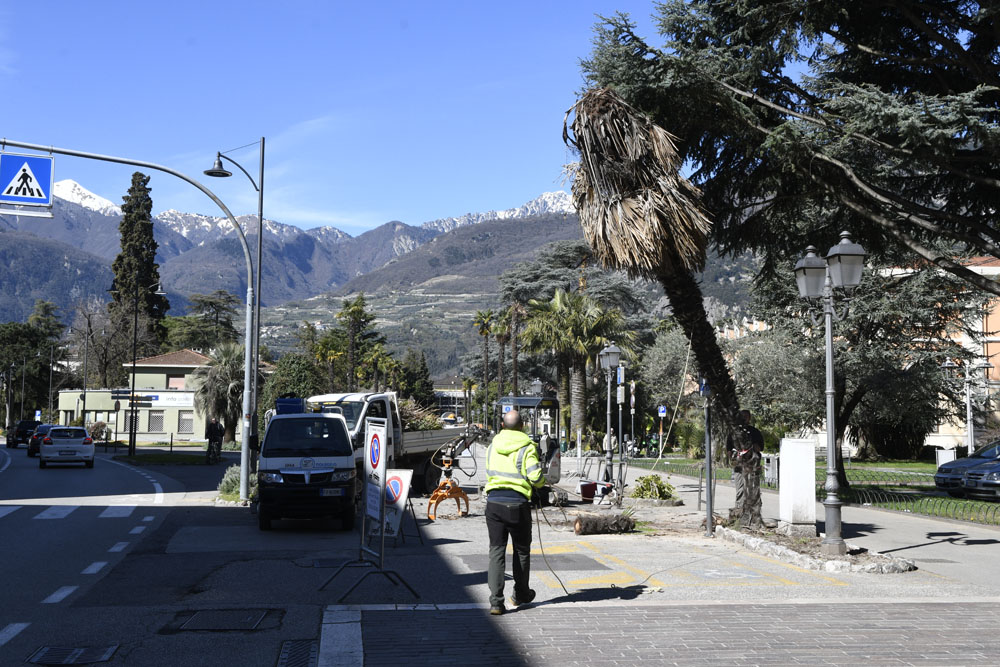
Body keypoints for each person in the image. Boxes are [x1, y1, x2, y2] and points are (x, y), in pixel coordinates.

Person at [484, 410, 546, 615]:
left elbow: (488, 470)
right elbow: (535, 477)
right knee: (521, 550)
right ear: (522, 426)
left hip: (493, 503)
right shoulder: (527, 446)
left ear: (502, 425)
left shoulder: (492, 446)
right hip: (518, 504)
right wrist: (541, 483)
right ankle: (520, 593)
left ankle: (496, 602)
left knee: (496, 551)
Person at [730, 409, 764, 521]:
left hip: (753, 466)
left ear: (749, 418)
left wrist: (752, 447)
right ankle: (739, 513)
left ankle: (754, 515)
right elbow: (729, 450)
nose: (744, 419)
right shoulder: (733, 433)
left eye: (746, 417)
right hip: (739, 466)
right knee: (740, 490)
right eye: (742, 416)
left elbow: (760, 448)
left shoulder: (755, 432)